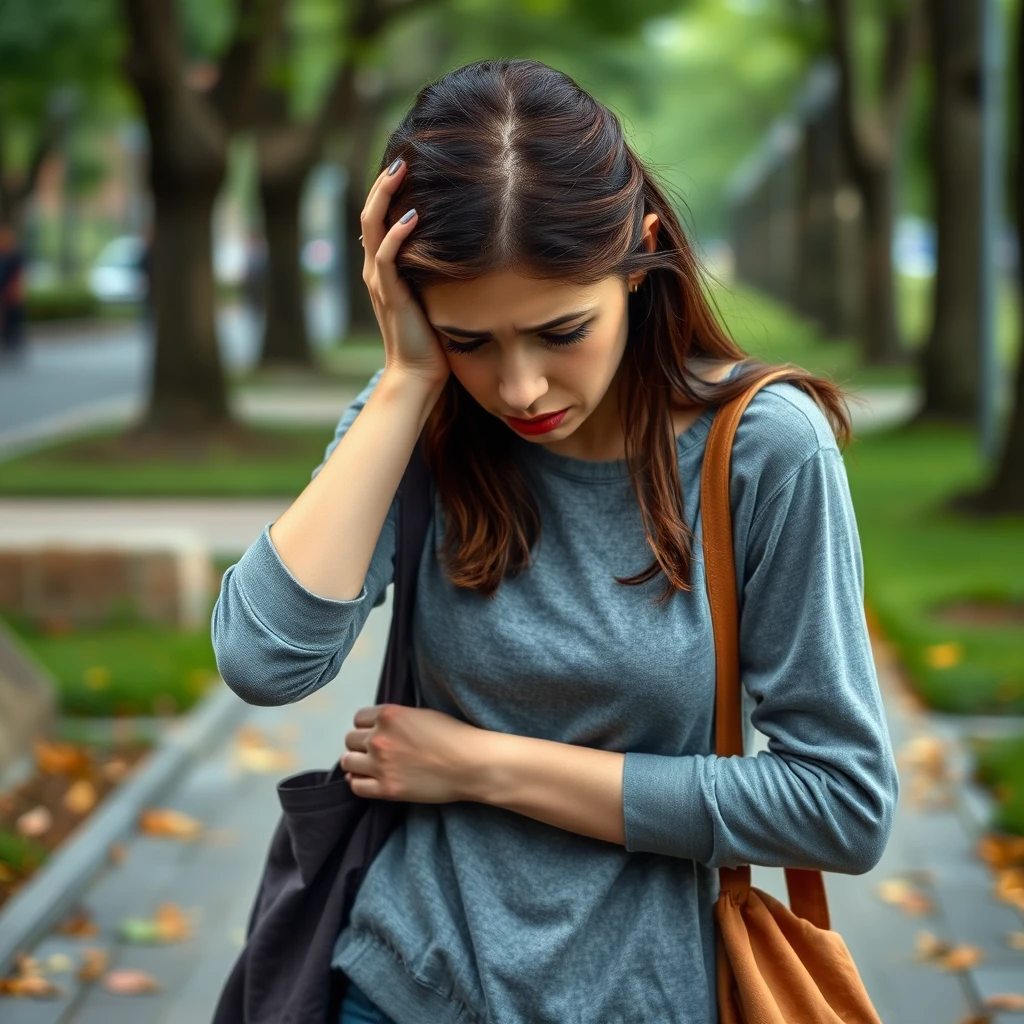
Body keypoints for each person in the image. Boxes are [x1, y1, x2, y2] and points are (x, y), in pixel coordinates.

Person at [211, 58, 899, 1024]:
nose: (522, 388)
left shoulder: (762, 451)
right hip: (401, 985)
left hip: (642, 998)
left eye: (561, 330)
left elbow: (841, 803)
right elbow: (261, 660)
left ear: (643, 257)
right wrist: (408, 382)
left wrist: (483, 766)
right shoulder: (422, 417)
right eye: (471, 340)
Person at [0, 222, 26, 363]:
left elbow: (17, 277)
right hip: (5, 293)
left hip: (12, 295)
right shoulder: (4, 257)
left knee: (13, 321)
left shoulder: (14, 257)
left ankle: (14, 343)